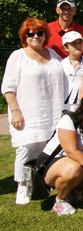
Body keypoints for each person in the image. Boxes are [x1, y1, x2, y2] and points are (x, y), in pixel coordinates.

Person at [1, 18, 65, 205]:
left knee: (48, 148)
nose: (36, 37)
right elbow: (8, 88)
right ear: (24, 37)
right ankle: (22, 186)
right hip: (28, 112)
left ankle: (43, 182)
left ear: (46, 35)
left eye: (40, 33)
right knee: (26, 149)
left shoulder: (53, 54)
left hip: (52, 111)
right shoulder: (17, 56)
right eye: (31, 34)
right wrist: (15, 111)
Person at [61, 31, 83, 111]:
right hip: (63, 107)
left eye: (80, 43)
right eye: (74, 43)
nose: (78, 46)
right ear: (66, 47)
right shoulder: (60, 64)